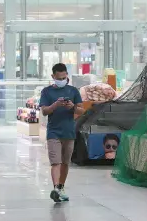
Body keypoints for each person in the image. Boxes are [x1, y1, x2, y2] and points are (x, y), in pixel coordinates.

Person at [39, 63, 84, 203]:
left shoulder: (73, 91)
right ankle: (56, 189)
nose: (62, 80)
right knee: (55, 162)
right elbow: (45, 111)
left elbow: (82, 111)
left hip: (69, 132)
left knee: (65, 162)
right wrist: (55, 105)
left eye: (64, 77)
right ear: (53, 76)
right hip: (53, 132)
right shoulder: (46, 92)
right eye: (59, 78)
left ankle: (61, 187)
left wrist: (73, 107)